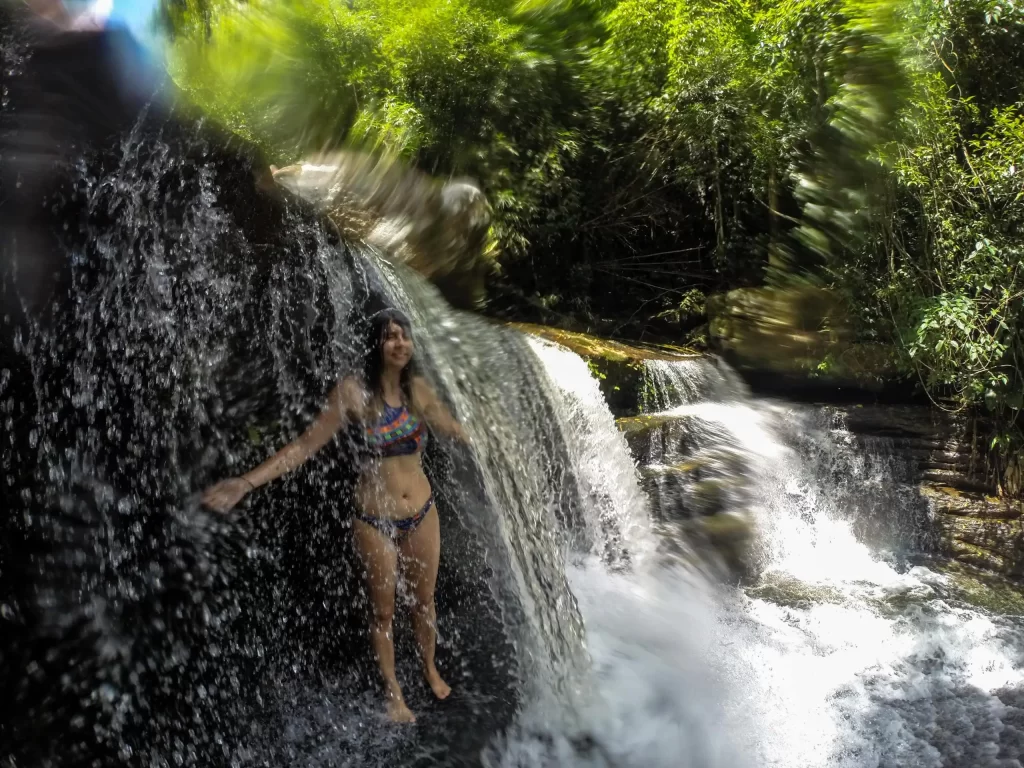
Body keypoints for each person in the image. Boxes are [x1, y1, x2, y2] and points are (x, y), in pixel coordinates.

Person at [201, 308, 469, 723]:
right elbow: (303, 447)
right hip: (373, 520)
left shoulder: (418, 391)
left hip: (422, 512)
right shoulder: (352, 394)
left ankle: (430, 668)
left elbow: (454, 428)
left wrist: (490, 435)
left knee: (424, 602)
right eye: (389, 336)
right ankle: (394, 693)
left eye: (404, 336)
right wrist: (247, 483)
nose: (399, 343)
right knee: (383, 612)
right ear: (376, 345)